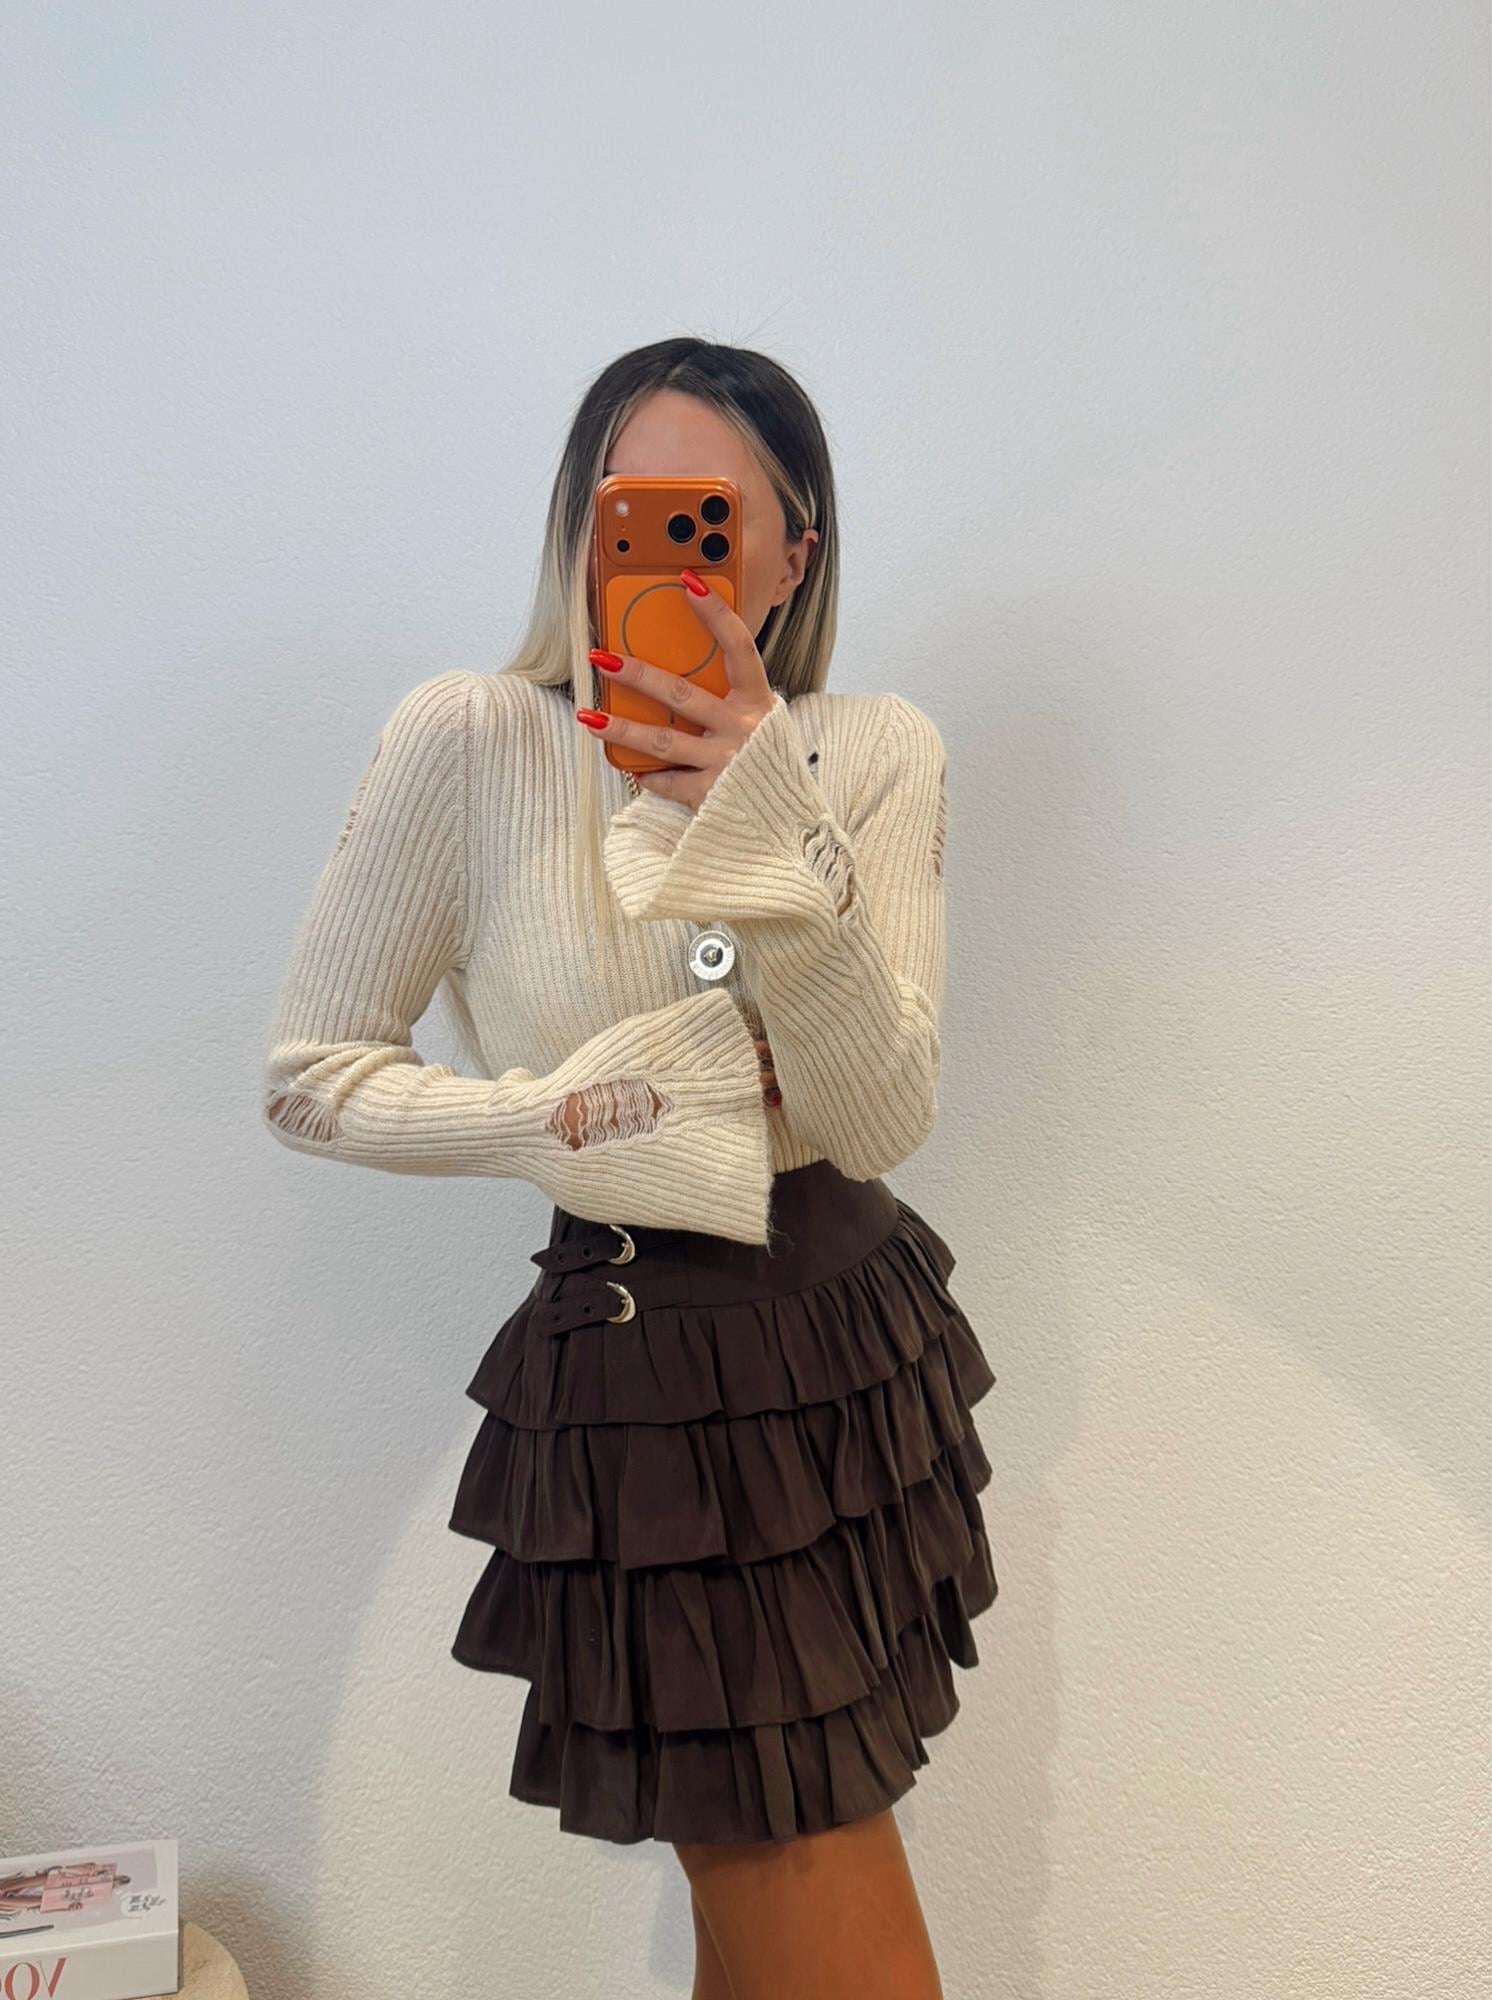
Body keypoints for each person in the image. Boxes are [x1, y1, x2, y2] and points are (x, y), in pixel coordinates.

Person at [261, 337, 998, 2000]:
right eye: (627, 509)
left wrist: (764, 822)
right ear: (578, 530)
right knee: (825, 1920)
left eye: (711, 519)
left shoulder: (877, 750)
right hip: (647, 1373)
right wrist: (567, 1121)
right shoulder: (472, 739)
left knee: (782, 1921)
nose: (666, 552)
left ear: (791, 554)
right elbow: (311, 1078)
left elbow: (879, 1116)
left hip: (853, 1350)